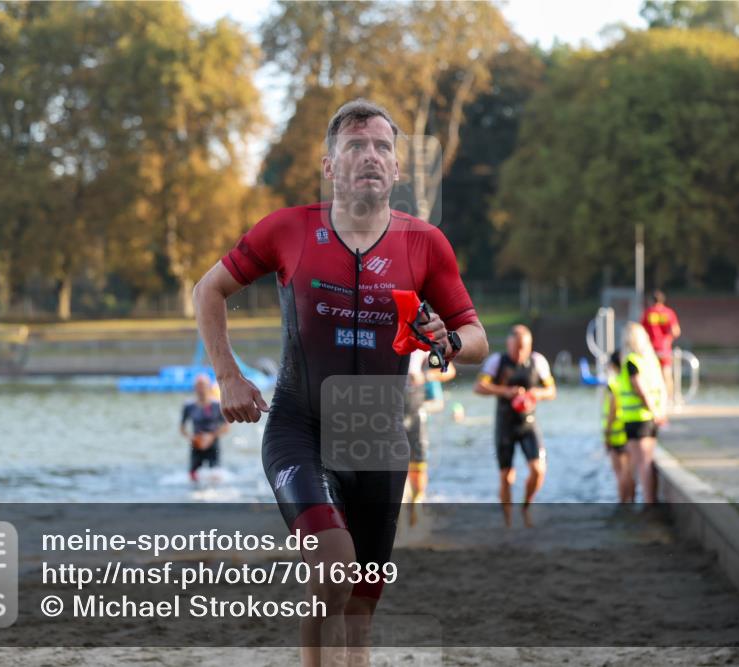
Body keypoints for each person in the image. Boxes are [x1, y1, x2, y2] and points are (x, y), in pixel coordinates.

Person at [192, 98, 488, 667]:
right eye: (355, 145)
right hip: (299, 429)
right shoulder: (289, 229)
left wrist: (448, 341)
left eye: (382, 147)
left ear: (396, 169)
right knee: (333, 568)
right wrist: (228, 375)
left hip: (378, 440)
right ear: (330, 166)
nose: (370, 155)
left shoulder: (424, 243)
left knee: (359, 612)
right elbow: (209, 289)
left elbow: (475, 338)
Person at [474, 324, 556, 525]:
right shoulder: (497, 361)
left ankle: (526, 506)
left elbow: (552, 391)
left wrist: (537, 394)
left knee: (538, 470)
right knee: (507, 477)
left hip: (528, 424)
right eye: (516, 348)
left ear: (530, 346)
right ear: (508, 344)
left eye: (523, 348)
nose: (519, 353)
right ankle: (508, 522)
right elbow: (479, 386)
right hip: (505, 425)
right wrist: (505, 391)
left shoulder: (538, 361)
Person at [402, 349, 456, 525]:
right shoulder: (386, 342)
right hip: (391, 414)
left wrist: (425, 376)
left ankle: (416, 504)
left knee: (418, 470)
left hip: (416, 415)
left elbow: (449, 370)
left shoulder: (423, 350)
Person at [618, 322, 667, 505]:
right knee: (645, 463)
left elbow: (641, 390)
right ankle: (646, 501)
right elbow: (661, 387)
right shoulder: (651, 360)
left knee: (638, 465)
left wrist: (654, 412)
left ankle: (639, 502)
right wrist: (659, 411)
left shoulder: (631, 361)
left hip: (636, 419)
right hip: (650, 417)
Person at [180, 374, 229, 483]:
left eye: (203, 386)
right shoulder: (189, 406)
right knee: (193, 476)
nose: (201, 389)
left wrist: (211, 437)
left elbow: (226, 426)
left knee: (216, 475)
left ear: (209, 387)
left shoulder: (217, 405)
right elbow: (182, 428)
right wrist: (191, 437)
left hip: (212, 442)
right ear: (195, 388)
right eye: (198, 386)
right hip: (196, 443)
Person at [641, 289, 681, 405]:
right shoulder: (669, 313)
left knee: (650, 374)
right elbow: (676, 331)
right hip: (665, 348)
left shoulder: (648, 313)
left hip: (651, 348)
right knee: (666, 374)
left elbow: (641, 330)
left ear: (651, 301)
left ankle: (654, 399)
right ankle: (670, 400)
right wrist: (667, 339)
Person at [602, 352, 631, 503]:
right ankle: (631, 499)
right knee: (628, 471)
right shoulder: (627, 381)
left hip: (615, 432)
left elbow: (613, 409)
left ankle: (622, 503)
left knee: (620, 472)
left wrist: (607, 432)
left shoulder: (613, 383)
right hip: (628, 429)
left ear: (613, 365)